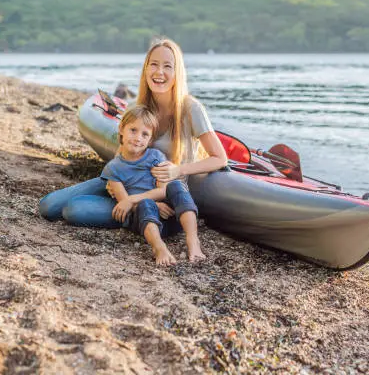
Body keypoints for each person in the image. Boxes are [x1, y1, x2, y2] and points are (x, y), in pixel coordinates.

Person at [38, 38, 228, 255]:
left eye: (168, 66)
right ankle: (131, 209)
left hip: (159, 193)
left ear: (178, 73)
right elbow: (122, 155)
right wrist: (117, 187)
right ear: (146, 68)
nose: (159, 72)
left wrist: (178, 170)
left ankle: (138, 214)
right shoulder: (137, 107)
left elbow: (220, 158)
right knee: (48, 206)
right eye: (154, 64)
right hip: (124, 184)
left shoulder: (191, 109)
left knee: (73, 210)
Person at [105, 106, 203, 265]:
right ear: (121, 129)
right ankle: (159, 248)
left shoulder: (155, 156)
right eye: (133, 130)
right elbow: (125, 204)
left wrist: (135, 199)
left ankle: (193, 240)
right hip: (143, 222)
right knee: (145, 203)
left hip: (170, 219)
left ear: (150, 140)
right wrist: (154, 206)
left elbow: (164, 190)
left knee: (176, 186)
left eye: (145, 134)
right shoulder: (113, 168)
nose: (138, 138)